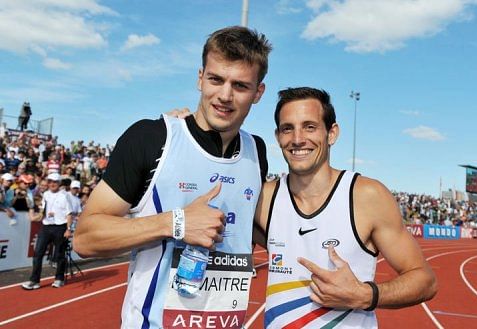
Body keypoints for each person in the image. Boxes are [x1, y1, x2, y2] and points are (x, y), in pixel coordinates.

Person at [73, 26, 272, 328]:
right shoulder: (152, 137)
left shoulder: (256, 150)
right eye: (216, 79)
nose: (225, 95)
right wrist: (175, 223)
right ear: (200, 78)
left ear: (258, 93)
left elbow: (252, 228)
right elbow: (85, 238)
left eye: (241, 85)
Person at [254, 87, 437, 328]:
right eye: (288, 128)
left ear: (332, 133)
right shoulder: (263, 198)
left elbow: (424, 280)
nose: (297, 139)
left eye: (310, 126)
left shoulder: (367, 197)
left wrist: (364, 295)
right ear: (278, 136)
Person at [21, 173, 73, 290]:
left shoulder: (65, 196)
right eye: (50, 182)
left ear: (59, 183)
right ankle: (34, 281)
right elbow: (43, 211)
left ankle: (59, 279)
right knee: (38, 253)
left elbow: (69, 214)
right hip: (46, 226)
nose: (52, 184)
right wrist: (36, 216)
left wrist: (68, 229)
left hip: (60, 227)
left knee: (59, 254)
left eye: (54, 182)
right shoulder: (46, 194)